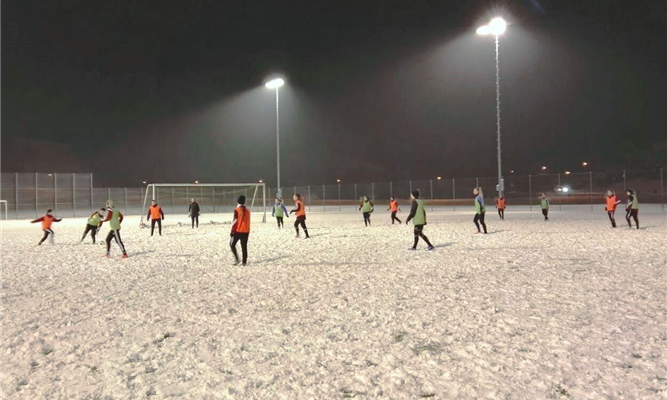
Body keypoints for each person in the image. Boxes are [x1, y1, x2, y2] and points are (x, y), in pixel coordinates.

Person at [230, 195, 250, 265]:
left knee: (232, 244)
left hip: (238, 230)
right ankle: (244, 261)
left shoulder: (237, 210)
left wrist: (232, 230)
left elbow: (235, 221)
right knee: (244, 246)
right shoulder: (247, 211)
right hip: (246, 231)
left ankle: (237, 259)